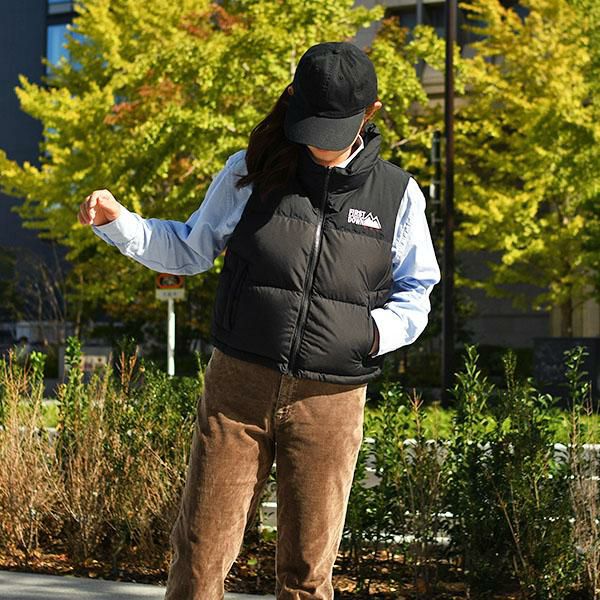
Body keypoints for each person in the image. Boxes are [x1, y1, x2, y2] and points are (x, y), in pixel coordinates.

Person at [78, 41, 440, 600]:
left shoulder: (398, 195)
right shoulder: (252, 170)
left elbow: (417, 291)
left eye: (335, 128)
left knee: (307, 575)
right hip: (239, 388)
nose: (320, 141)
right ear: (294, 101)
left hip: (331, 400)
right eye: (312, 125)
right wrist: (121, 223)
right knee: (198, 558)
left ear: (370, 113)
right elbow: (191, 248)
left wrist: (371, 334)